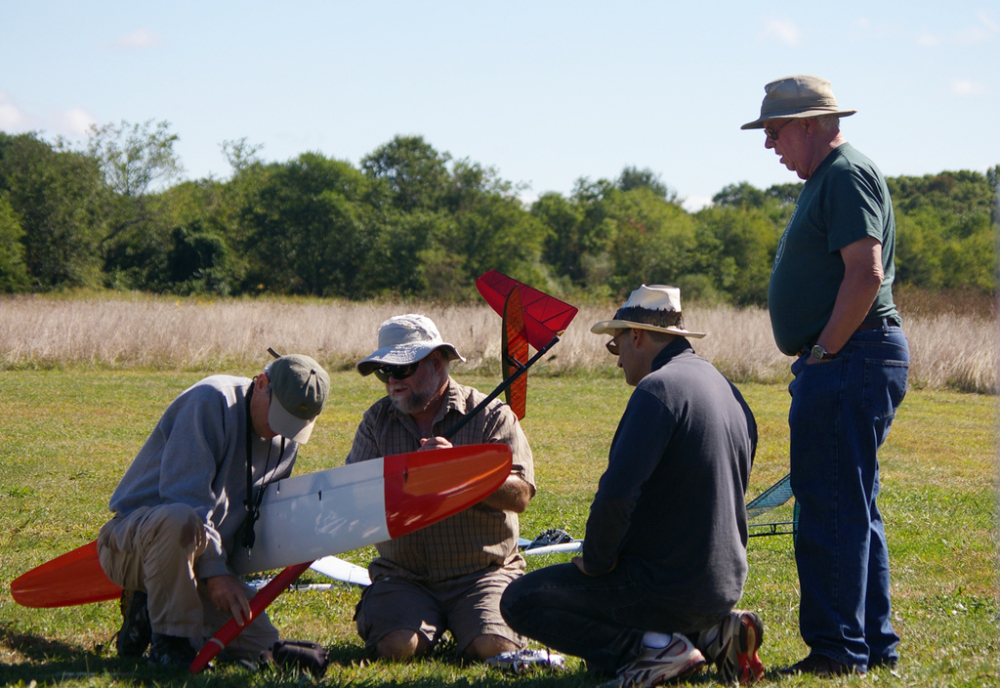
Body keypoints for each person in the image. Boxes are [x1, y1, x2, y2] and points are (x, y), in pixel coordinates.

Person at [500, 285, 763, 687]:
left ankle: (654, 650)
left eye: (615, 345)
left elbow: (616, 496)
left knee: (520, 600)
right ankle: (711, 634)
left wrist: (597, 561)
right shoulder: (727, 389)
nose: (617, 358)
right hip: (722, 585)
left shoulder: (657, 391)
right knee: (597, 662)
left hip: (666, 586)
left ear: (636, 336)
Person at [742, 75, 910, 677]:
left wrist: (825, 354)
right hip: (852, 357)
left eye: (775, 131)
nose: (770, 146)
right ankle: (872, 643)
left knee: (828, 507)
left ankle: (839, 651)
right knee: (851, 504)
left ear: (809, 124)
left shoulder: (843, 174)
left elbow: (864, 274)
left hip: (850, 358)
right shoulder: (831, 177)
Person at [98, 353, 330, 667]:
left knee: (261, 644)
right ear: (261, 384)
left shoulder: (286, 443)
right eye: (279, 418)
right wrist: (217, 573)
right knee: (180, 519)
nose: (280, 433)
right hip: (136, 543)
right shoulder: (209, 401)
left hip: (203, 560)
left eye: (293, 426)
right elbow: (184, 499)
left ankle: (149, 610)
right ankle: (171, 643)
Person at [346, 314, 535, 662]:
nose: (391, 381)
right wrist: (408, 479)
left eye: (400, 369)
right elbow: (353, 497)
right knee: (396, 647)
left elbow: (520, 495)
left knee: (495, 648)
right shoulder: (376, 421)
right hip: (404, 577)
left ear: (436, 362)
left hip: (483, 574)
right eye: (383, 372)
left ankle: (477, 624)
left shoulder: (492, 415)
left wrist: (460, 473)